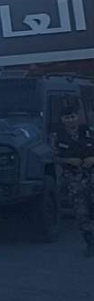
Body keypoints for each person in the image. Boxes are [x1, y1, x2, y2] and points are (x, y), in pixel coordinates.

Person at [55, 106, 94, 257]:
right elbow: (51, 156)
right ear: (62, 120)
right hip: (73, 179)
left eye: (73, 116)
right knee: (81, 212)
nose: (70, 120)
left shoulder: (89, 132)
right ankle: (90, 243)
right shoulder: (57, 137)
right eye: (67, 117)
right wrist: (68, 160)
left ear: (78, 117)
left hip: (92, 175)